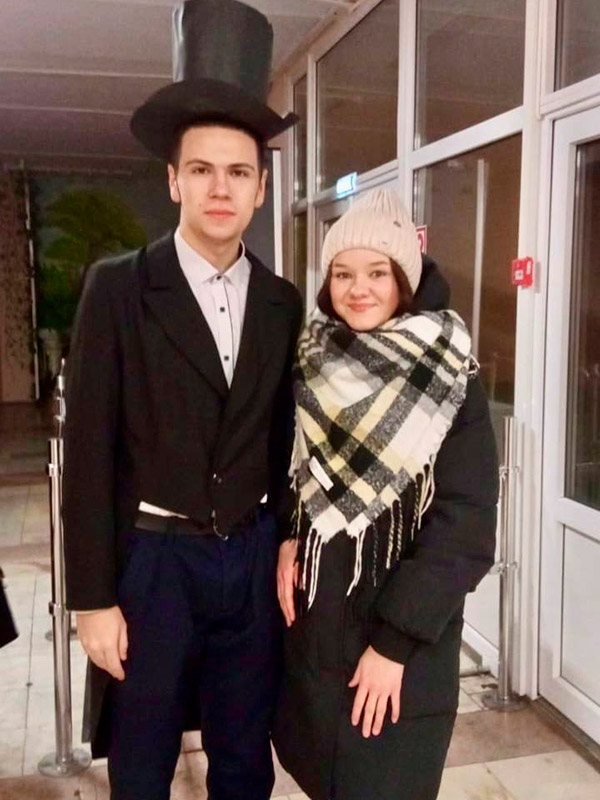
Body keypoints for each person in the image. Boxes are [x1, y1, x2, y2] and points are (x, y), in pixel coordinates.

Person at [62, 2, 301, 799]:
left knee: (244, 753)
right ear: (173, 181)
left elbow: (284, 438)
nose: (220, 187)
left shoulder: (282, 302)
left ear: (260, 188)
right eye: (201, 170)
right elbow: (87, 453)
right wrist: (92, 600)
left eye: (239, 172)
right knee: (141, 758)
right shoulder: (119, 288)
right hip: (153, 560)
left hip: (251, 555)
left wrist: (285, 539)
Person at [273, 188, 499, 800]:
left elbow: (466, 527)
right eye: (343, 273)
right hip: (317, 632)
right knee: (322, 777)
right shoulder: (313, 358)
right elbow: (296, 471)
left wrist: (392, 645)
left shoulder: (448, 376)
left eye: (377, 272)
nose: (358, 289)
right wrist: (291, 534)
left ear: (405, 279)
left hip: (400, 649)